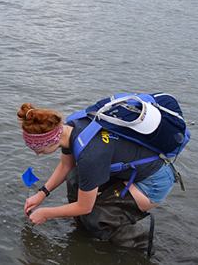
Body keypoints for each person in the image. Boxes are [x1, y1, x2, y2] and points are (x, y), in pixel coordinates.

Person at [17, 102, 177, 252]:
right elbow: (66, 166)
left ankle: (144, 246)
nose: (37, 154)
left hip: (153, 182)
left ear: (51, 140)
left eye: (39, 150)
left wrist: (45, 213)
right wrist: (42, 193)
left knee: (95, 217)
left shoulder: (90, 155)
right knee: (74, 178)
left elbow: (84, 207)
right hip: (129, 167)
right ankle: (84, 228)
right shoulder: (70, 127)